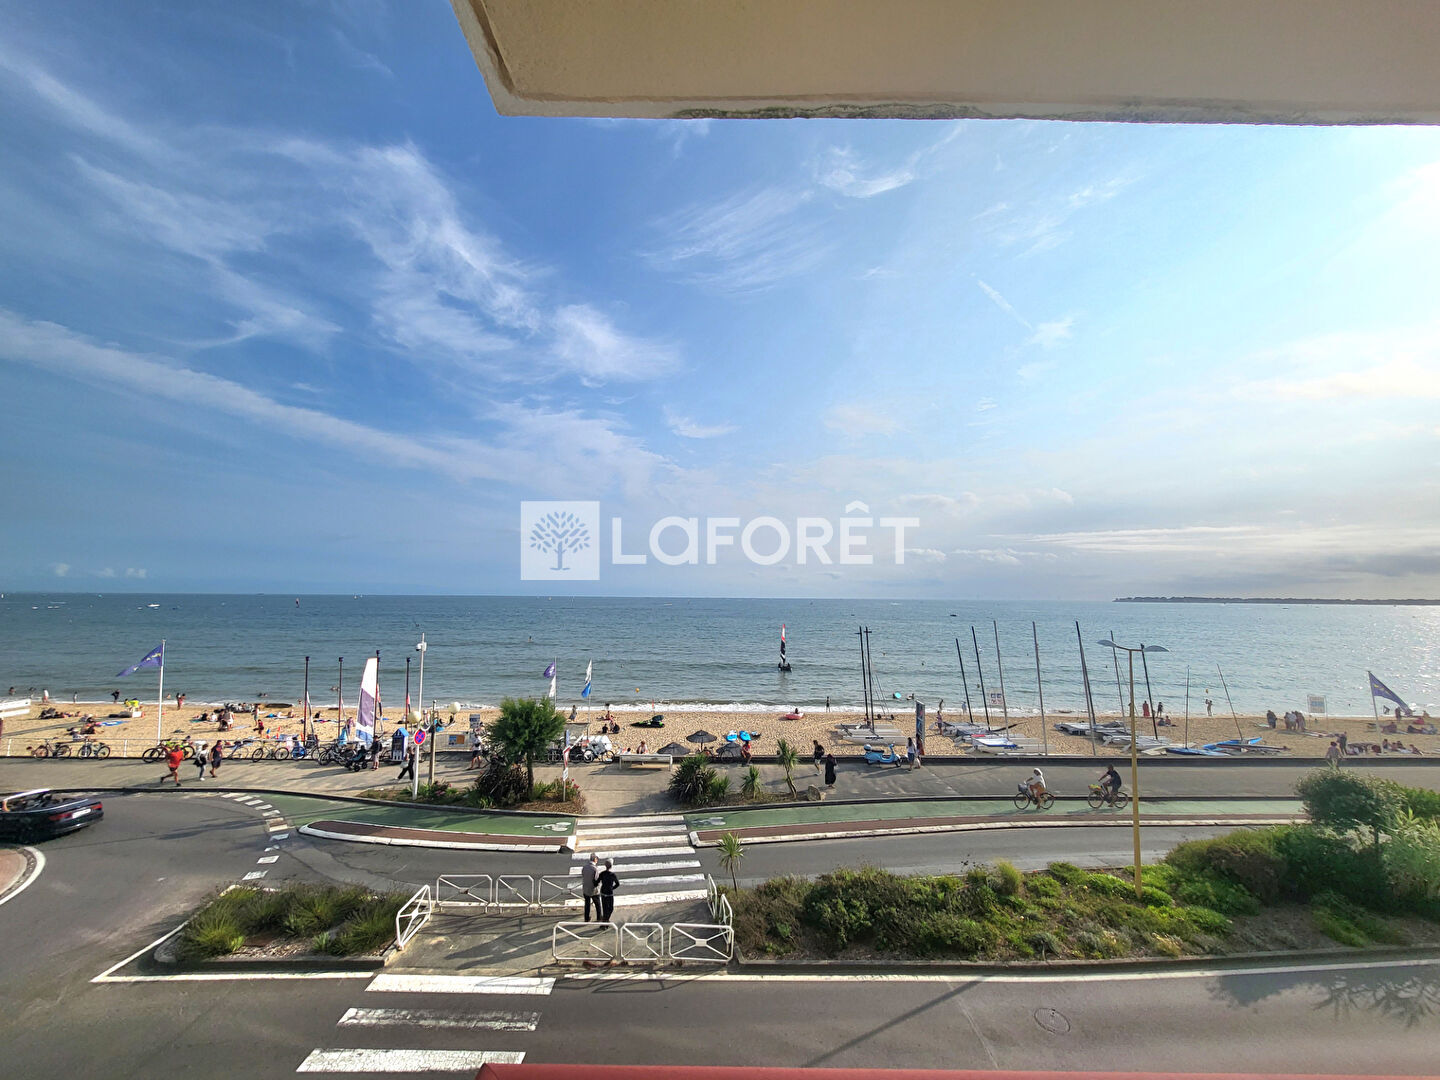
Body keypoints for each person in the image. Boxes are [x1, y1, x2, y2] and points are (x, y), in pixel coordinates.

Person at [597, 858, 620, 923]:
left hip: (603, 892)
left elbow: (597, 882)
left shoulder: (602, 873)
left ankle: (605, 921)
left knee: (605, 908)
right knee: (610, 908)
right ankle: (606, 920)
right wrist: (612, 888)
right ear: (611, 866)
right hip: (609, 893)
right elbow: (617, 884)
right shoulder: (612, 875)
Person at [581, 853, 601, 922]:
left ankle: (586, 918)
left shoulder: (584, 867)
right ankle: (599, 917)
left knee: (587, 904)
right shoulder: (595, 869)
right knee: (597, 904)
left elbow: (583, 875)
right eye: (597, 859)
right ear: (595, 859)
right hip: (593, 890)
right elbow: (597, 880)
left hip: (585, 888)